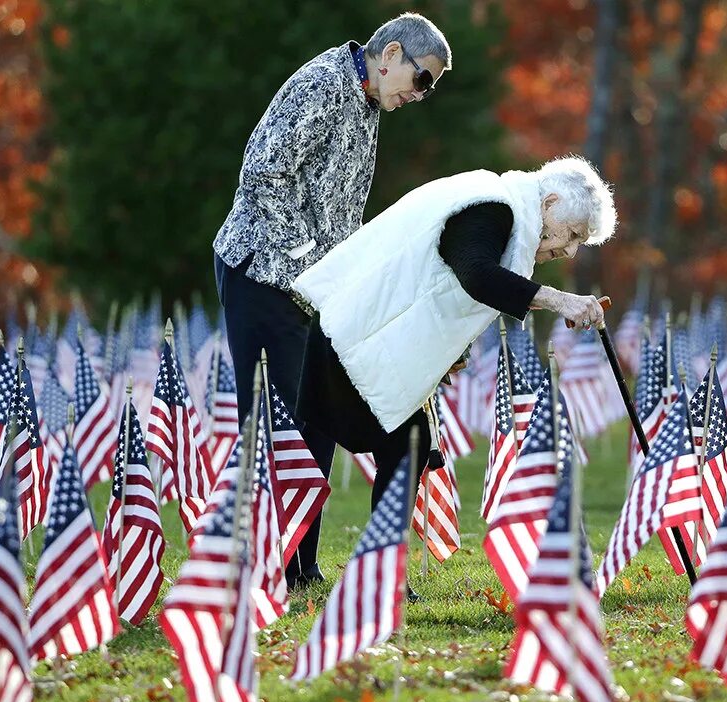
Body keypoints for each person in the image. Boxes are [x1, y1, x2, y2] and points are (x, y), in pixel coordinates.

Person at [213, 13, 451, 589]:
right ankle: (264, 568)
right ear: (391, 53)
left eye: (431, 88)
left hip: (315, 286)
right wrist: (310, 265)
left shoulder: (368, 104)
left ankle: (300, 566)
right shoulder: (322, 85)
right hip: (262, 273)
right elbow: (262, 175)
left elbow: (339, 215)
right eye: (422, 80)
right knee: (281, 424)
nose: (420, 96)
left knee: (314, 421)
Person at [292, 156, 616, 520]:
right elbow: (477, 276)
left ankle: (375, 570)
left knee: (401, 451)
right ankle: (302, 567)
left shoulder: (503, 208)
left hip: (376, 345)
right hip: (353, 338)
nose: (570, 250)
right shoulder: (493, 207)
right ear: (550, 203)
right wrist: (558, 299)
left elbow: (453, 285)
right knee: (305, 461)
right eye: (572, 234)